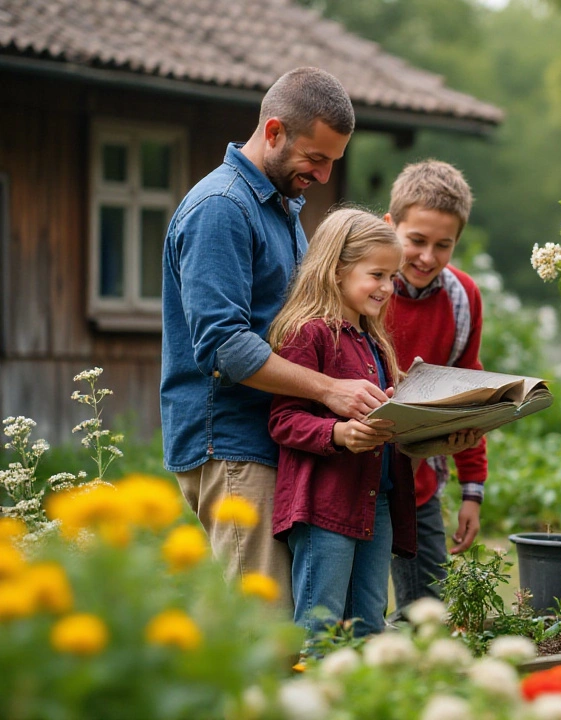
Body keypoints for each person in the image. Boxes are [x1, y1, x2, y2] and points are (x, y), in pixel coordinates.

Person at [161, 68, 388, 607]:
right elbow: (224, 347)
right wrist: (329, 390)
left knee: (303, 623)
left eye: (334, 159)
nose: (327, 175)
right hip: (233, 443)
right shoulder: (222, 207)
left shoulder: (281, 207)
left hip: (272, 439)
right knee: (264, 633)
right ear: (275, 131)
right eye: (316, 158)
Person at [266, 208, 478, 635]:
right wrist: (339, 434)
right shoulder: (309, 332)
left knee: (370, 623)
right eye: (376, 275)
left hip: (376, 501)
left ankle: (362, 699)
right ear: (337, 270)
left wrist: (430, 430)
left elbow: (386, 426)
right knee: (319, 626)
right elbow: (283, 420)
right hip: (324, 504)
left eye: (391, 278)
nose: (387, 288)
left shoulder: (374, 339)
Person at [383, 160, 489, 608]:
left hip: (419, 483)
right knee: (351, 620)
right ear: (390, 227)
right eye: (417, 241)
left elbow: (467, 394)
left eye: (443, 246)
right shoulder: (360, 289)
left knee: (427, 613)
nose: (428, 257)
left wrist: (472, 491)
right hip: (352, 481)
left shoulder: (462, 298)